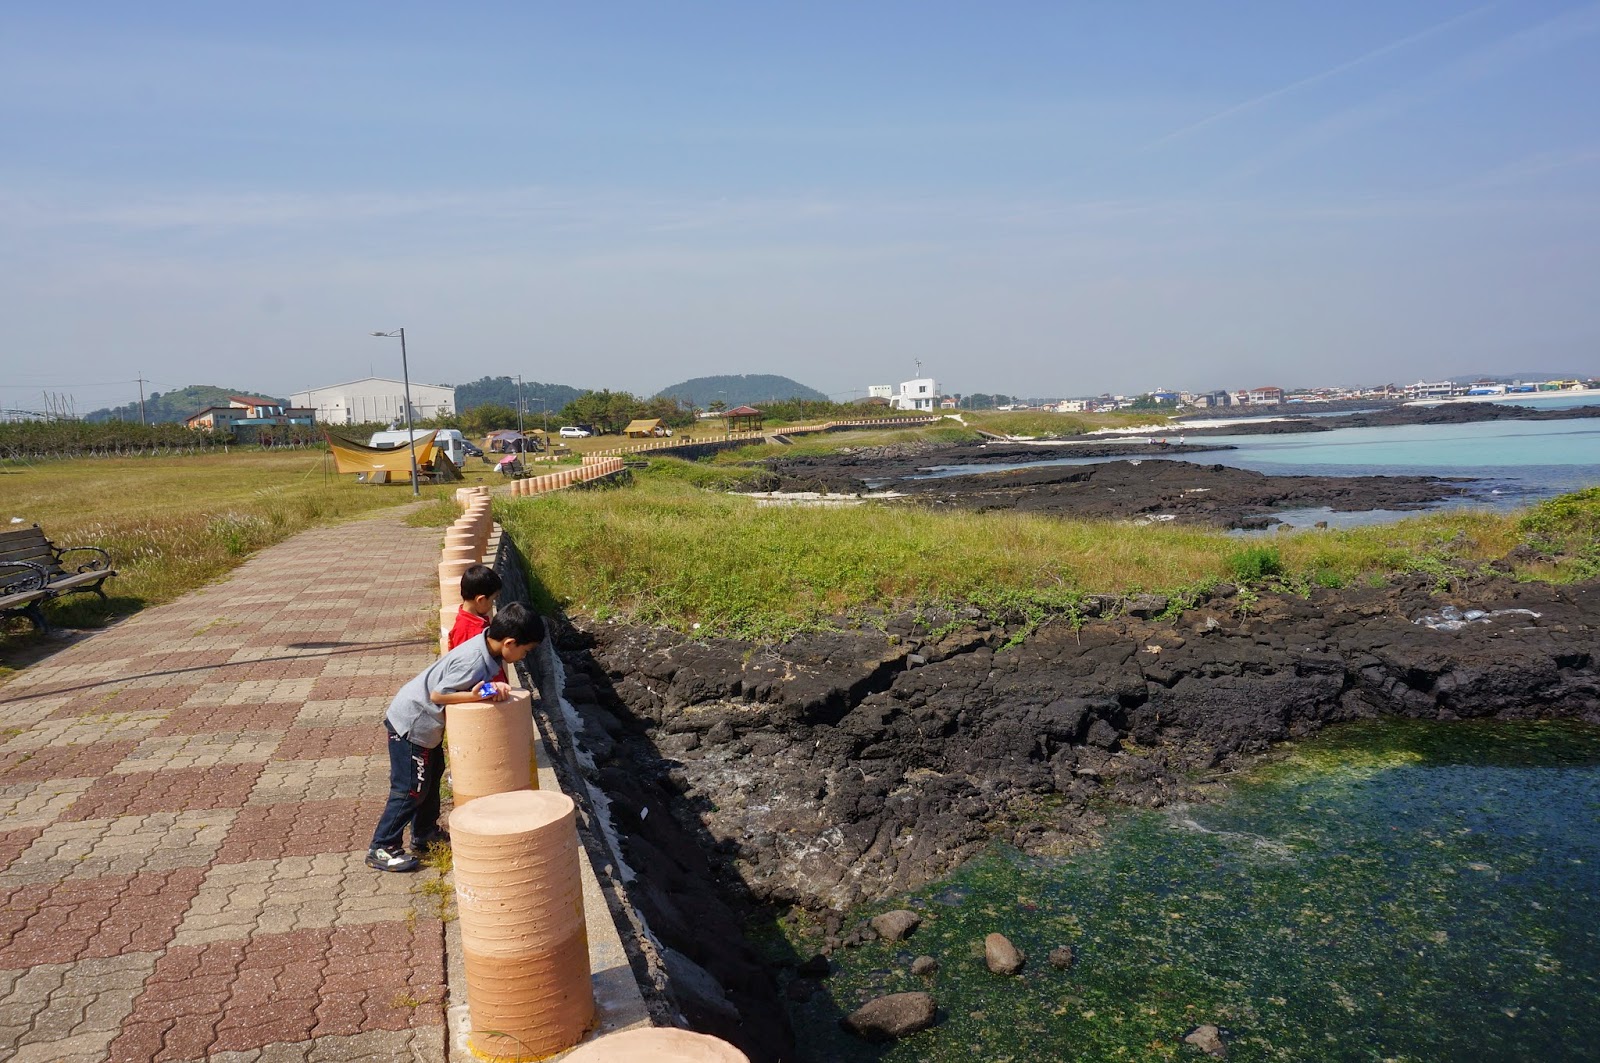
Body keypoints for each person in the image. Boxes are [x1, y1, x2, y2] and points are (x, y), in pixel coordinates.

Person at [367, 602, 546, 872]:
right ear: (510, 643)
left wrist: (488, 689)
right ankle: (382, 846)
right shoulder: (475, 660)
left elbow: (463, 683)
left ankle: (424, 833)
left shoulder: (486, 647)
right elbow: (439, 694)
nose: (523, 656)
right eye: (526, 650)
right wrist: (476, 696)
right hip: (411, 725)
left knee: (431, 778)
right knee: (412, 788)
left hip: (425, 728)